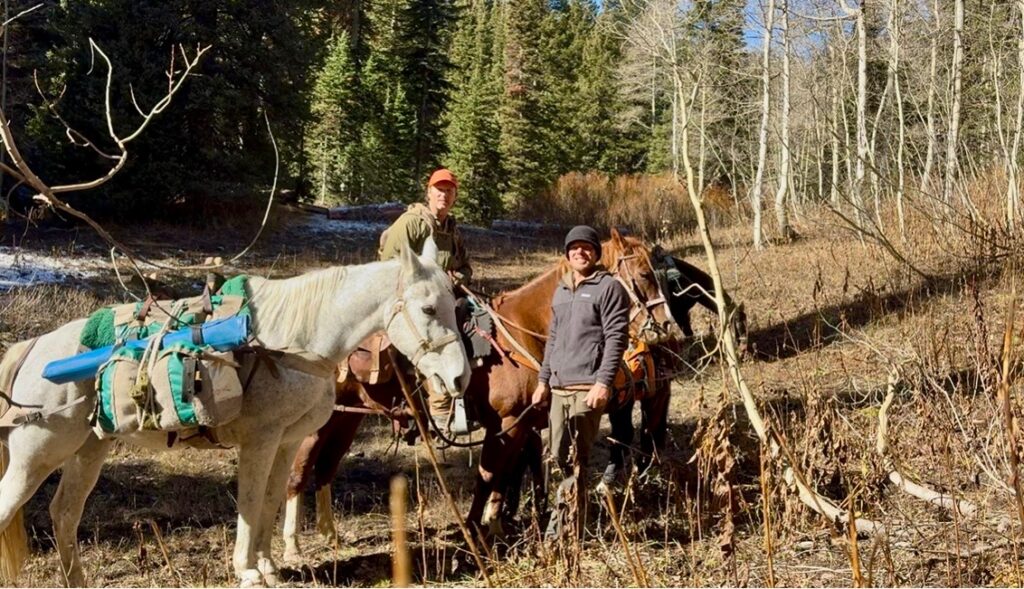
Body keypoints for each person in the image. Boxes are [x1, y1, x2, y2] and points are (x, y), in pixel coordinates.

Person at [531, 225, 631, 539]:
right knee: (558, 454)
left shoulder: (609, 288)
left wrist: (603, 382)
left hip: (587, 387)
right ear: (567, 254)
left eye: (586, 247)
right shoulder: (561, 290)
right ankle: (572, 513)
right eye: (574, 248)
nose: (580, 252)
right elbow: (554, 339)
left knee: (577, 455)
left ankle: (566, 527)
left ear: (596, 253)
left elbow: (617, 338)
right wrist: (543, 380)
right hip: (559, 386)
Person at [378, 168, 475, 432]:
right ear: (429, 192)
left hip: (445, 299)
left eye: (449, 191)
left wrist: (457, 279)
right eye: (439, 190)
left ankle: (465, 400)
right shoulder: (411, 223)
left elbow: (466, 267)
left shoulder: (452, 229)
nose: (444, 195)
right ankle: (439, 412)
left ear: (455, 196)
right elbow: (389, 265)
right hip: (414, 302)